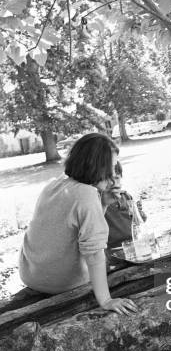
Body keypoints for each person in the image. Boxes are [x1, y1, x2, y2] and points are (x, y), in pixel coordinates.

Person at [19, 133, 137, 316]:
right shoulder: (86, 195)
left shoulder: (55, 184)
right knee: (116, 260)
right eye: (112, 166)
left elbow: (81, 228)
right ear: (98, 166)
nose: (114, 173)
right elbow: (94, 254)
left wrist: (103, 203)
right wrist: (106, 300)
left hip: (30, 274)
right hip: (60, 283)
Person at [103, 161, 146, 248]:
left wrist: (139, 212)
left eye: (117, 178)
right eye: (109, 179)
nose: (114, 183)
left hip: (134, 243)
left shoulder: (126, 196)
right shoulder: (102, 201)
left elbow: (138, 222)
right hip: (113, 248)